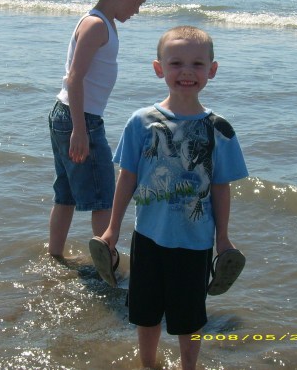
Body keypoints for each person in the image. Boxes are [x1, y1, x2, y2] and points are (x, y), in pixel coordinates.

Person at [100, 26, 249, 369]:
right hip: (148, 237)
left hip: (195, 243)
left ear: (212, 70)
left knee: (190, 318)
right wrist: (111, 230)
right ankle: (148, 364)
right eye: (176, 63)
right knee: (146, 312)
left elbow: (220, 187)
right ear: (159, 68)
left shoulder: (219, 128)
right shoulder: (141, 122)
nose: (186, 71)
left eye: (197, 64)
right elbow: (127, 178)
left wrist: (223, 238)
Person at [48, 0, 153, 258]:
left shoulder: (96, 21)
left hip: (67, 115)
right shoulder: (96, 25)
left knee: (65, 196)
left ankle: (55, 256)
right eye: (139, 2)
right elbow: (75, 78)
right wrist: (80, 130)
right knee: (104, 199)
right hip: (80, 119)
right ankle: (105, 267)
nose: (137, 10)